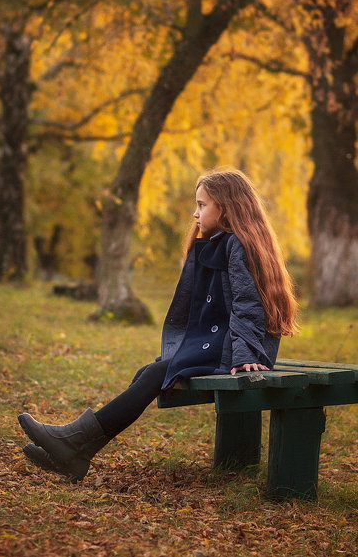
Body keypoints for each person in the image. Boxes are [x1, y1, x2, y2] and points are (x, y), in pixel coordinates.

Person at [18, 168, 298, 482]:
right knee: (149, 373)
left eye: (202, 205)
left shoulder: (238, 246)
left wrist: (246, 354)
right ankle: (75, 452)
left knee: (154, 373)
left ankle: (73, 444)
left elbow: (248, 304)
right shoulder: (222, 242)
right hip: (224, 343)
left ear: (227, 208)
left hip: (239, 351)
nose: (195, 213)